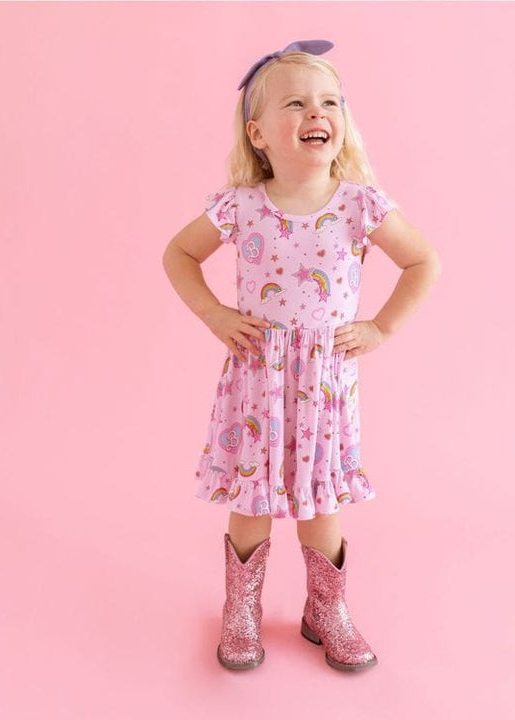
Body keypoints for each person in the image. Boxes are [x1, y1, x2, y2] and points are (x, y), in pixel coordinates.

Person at [162, 39, 442, 673]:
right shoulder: (239, 205)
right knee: (250, 501)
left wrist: (381, 328)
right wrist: (215, 315)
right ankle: (242, 608)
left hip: (325, 383)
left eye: (329, 102)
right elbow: (178, 254)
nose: (316, 112)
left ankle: (326, 607)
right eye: (295, 103)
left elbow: (423, 261)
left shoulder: (360, 204)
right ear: (258, 132)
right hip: (256, 380)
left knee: (322, 504)